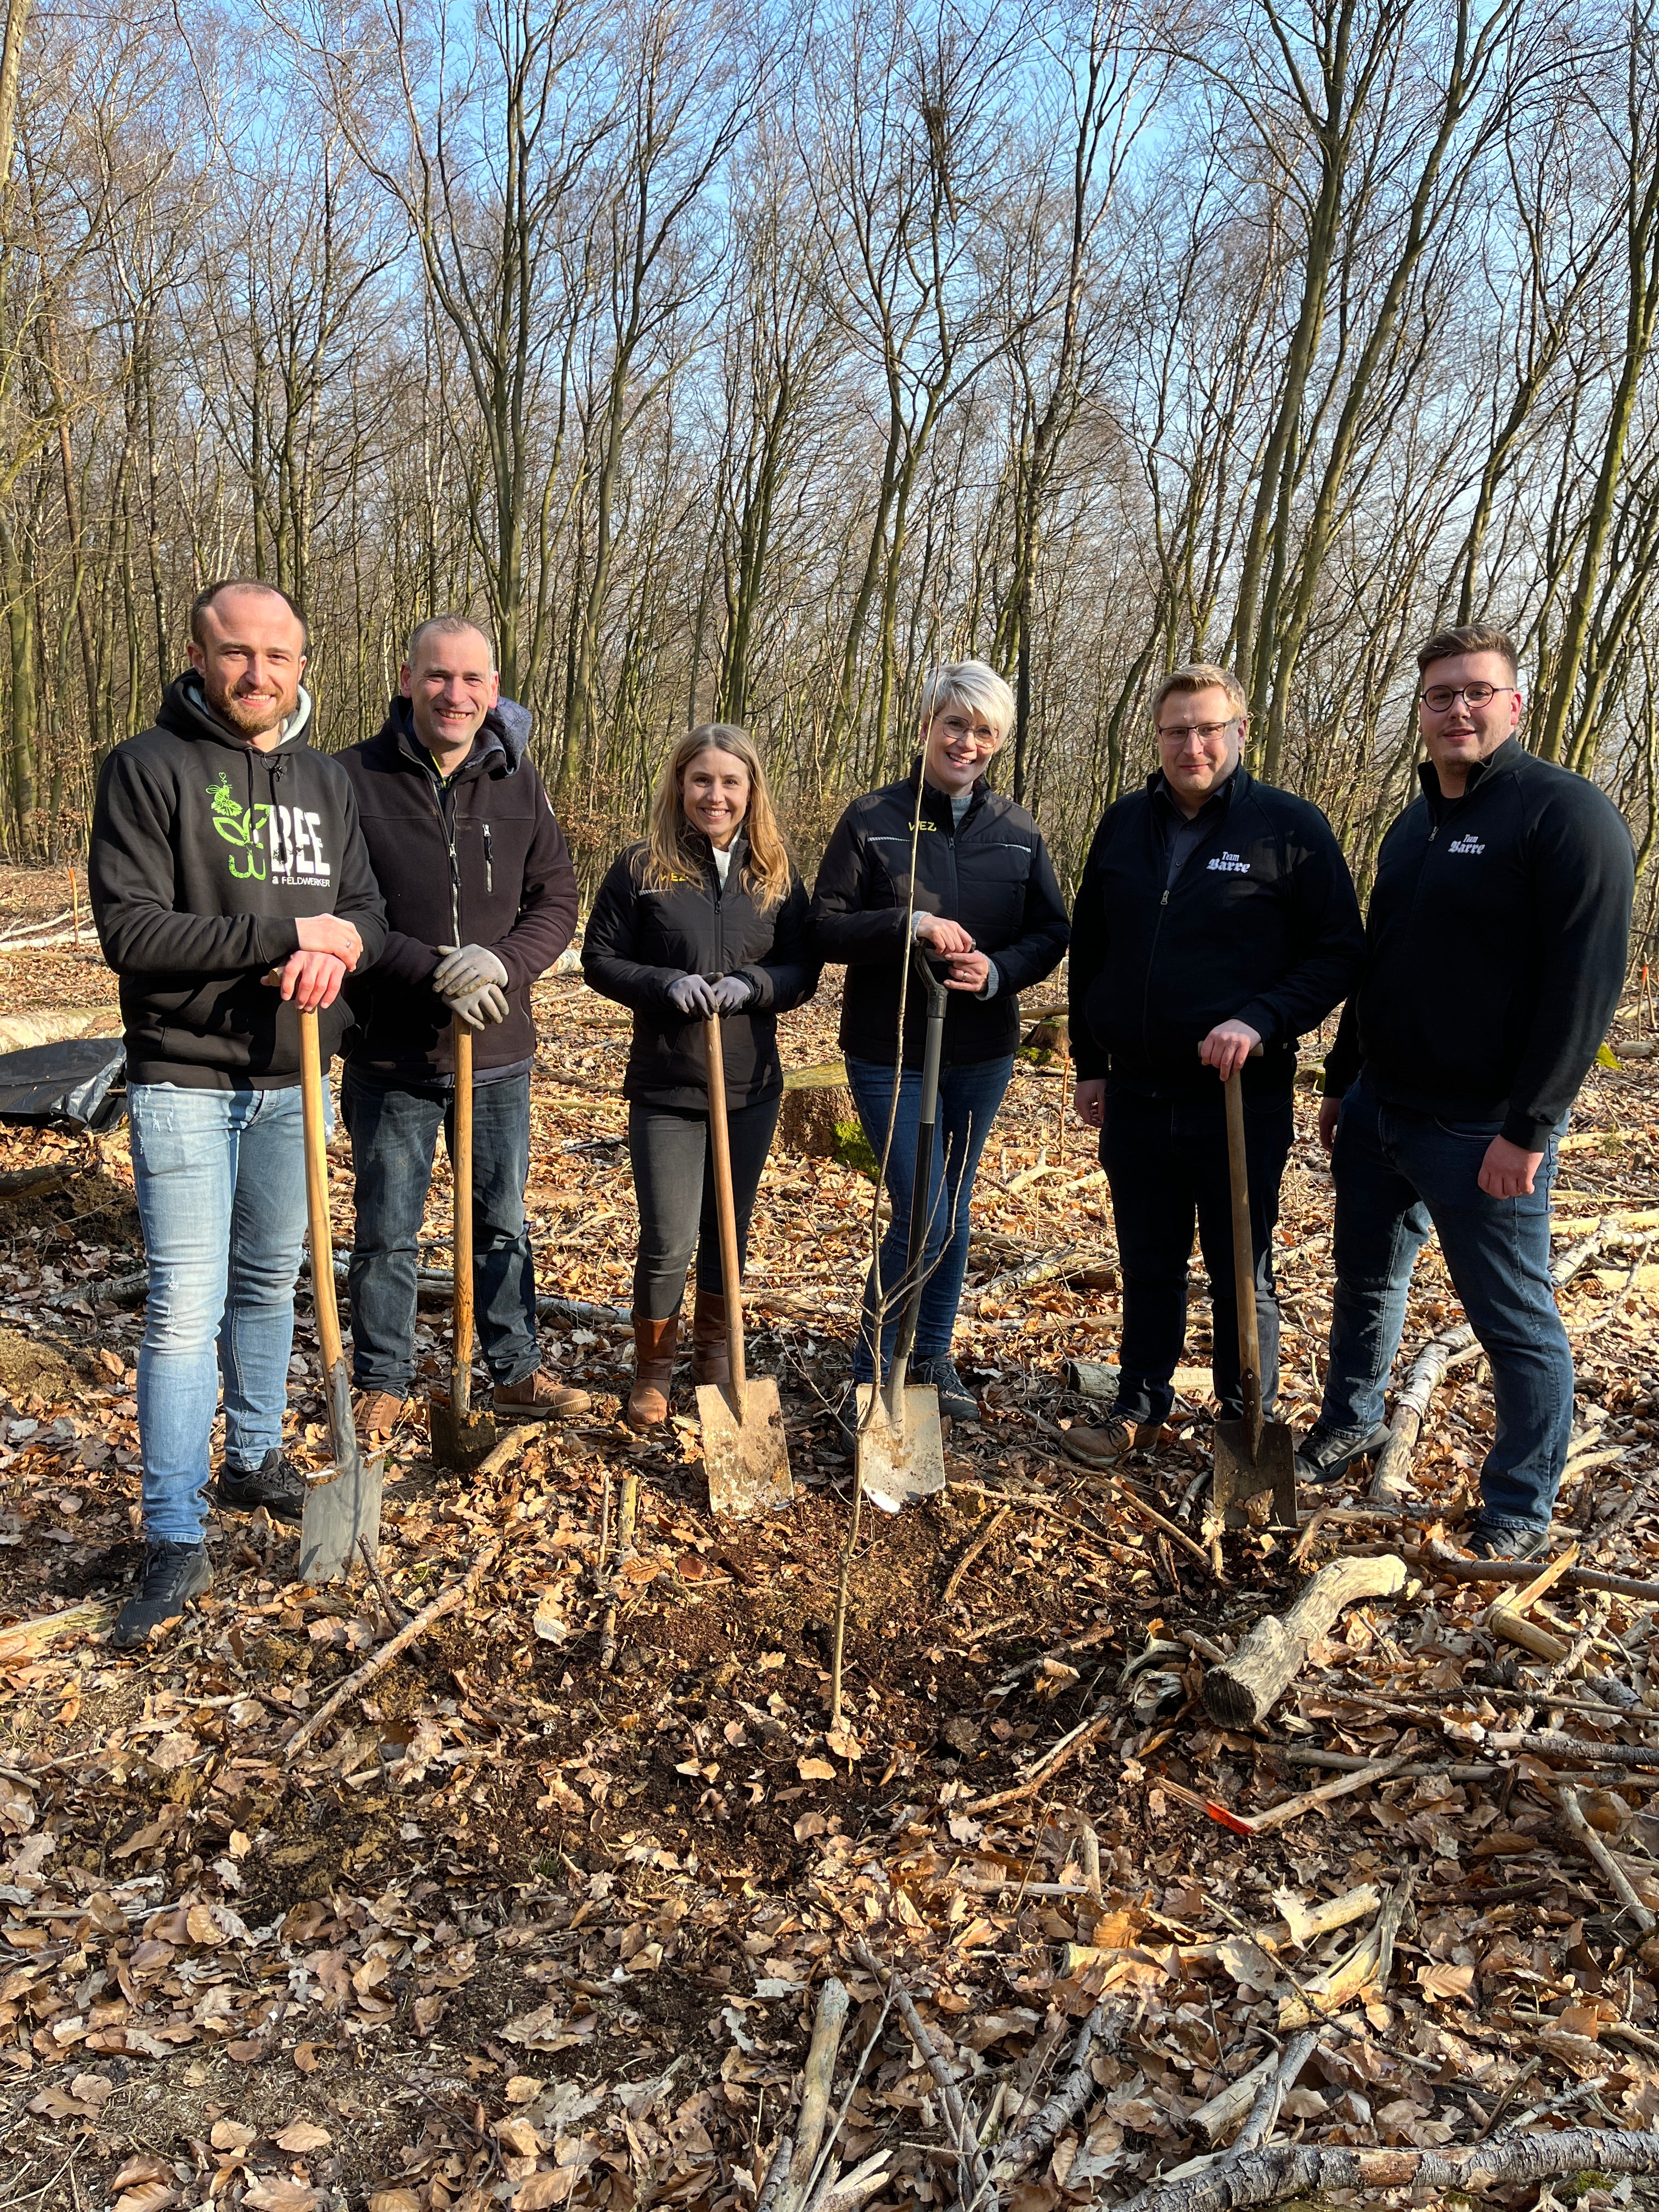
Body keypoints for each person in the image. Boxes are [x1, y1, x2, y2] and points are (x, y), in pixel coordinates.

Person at [90, 578, 386, 1648]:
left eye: (280, 655)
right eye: (236, 654)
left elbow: (361, 909)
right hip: (184, 1076)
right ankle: (172, 1532)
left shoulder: (325, 780)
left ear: (303, 663)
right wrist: (284, 935)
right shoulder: (146, 769)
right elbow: (136, 934)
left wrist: (339, 945)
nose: (259, 674)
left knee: (269, 1281)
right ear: (198, 655)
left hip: (292, 1074)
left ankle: (253, 1457)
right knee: (183, 1305)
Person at [1306, 622, 1634, 1558]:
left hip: (1481, 1127)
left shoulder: (1562, 816)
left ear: (1512, 703)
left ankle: (1517, 1506)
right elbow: (1380, 965)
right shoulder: (1413, 825)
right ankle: (1350, 1422)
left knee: (1512, 1319)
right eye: (1439, 695)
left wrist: (1528, 1130)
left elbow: (1585, 986)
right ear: (1419, 712)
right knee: (1365, 1280)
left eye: (1474, 691)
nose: (1456, 708)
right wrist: (1340, 1079)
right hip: (1379, 1109)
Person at [1065, 663, 1363, 1468]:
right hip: (1134, 1091)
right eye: (1176, 731)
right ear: (1157, 738)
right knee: (1149, 1260)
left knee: (1241, 1267)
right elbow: (1091, 946)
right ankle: (1140, 1403)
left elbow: (1340, 952)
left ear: (1238, 732)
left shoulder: (1290, 830)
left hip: (1239, 1098)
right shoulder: (1124, 824)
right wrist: (1091, 1061)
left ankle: (1244, 1426)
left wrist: (1262, 1019)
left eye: (1208, 728)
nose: (1192, 745)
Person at [337, 616, 589, 1433]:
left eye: (474, 679)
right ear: (406, 677)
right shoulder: (349, 778)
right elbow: (346, 910)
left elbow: (555, 898)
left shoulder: (519, 780)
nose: (456, 694)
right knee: (386, 1228)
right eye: (439, 677)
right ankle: (383, 1376)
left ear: (494, 688)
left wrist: (505, 964)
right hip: (391, 1052)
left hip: (498, 1050)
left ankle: (513, 1368)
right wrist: (432, 967)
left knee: (501, 1219)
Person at [810, 661, 1069, 1430]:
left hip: (981, 1051)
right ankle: (868, 1369)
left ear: (999, 742)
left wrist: (999, 972)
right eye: (954, 724)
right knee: (924, 1209)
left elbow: (1052, 931)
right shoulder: (872, 820)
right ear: (927, 726)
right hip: (888, 1049)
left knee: (952, 1208)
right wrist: (907, 925)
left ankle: (931, 1356)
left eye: (984, 730)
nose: (967, 741)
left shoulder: (1018, 832)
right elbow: (823, 926)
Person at [582, 725, 817, 1426]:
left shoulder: (775, 874)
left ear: (751, 791)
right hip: (668, 1086)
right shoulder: (640, 868)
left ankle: (718, 1357)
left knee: (728, 1230)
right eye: (701, 781)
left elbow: (804, 967)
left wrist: (754, 984)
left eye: (730, 782)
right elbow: (600, 959)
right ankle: (653, 1371)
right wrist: (662, 983)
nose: (715, 795)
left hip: (749, 1086)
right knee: (668, 1236)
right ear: (680, 786)